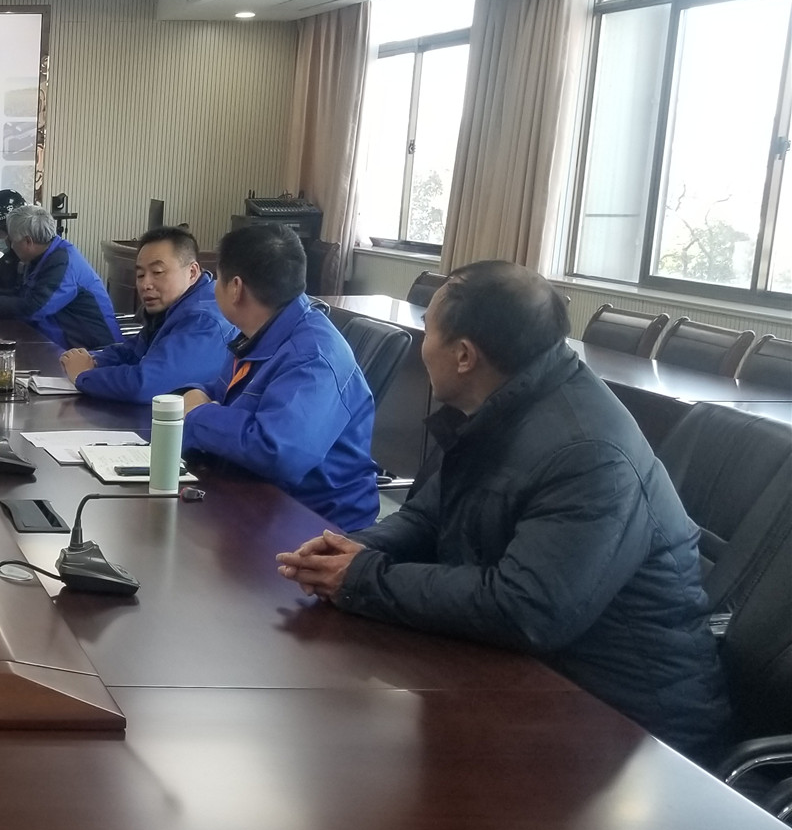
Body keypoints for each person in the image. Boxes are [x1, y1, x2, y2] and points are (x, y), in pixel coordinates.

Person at [277, 261, 730, 762]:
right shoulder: (501, 407)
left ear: (464, 355)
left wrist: (364, 579)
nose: (423, 344)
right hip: (541, 680)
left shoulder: (588, 453)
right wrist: (352, 551)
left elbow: (527, 608)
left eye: (429, 330)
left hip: (631, 732)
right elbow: (428, 518)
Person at [179, 224, 379, 530]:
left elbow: (279, 452)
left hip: (318, 524)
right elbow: (227, 393)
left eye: (217, 278)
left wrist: (199, 414)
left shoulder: (313, 357)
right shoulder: (260, 331)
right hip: (258, 497)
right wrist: (196, 393)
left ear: (236, 288)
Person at [60, 227, 236, 403]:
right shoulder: (175, 306)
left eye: (157, 272)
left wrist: (83, 375)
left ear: (192, 272)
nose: (145, 284)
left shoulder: (204, 320)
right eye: (140, 275)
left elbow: (147, 386)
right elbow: (132, 352)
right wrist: (92, 360)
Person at [0, 203, 121, 352]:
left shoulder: (62, 262)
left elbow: (33, 308)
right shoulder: (43, 256)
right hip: (61, 343)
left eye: (12, 241)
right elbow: (21, 293)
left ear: (28, 241)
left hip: (94, 353)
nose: (11, 246)